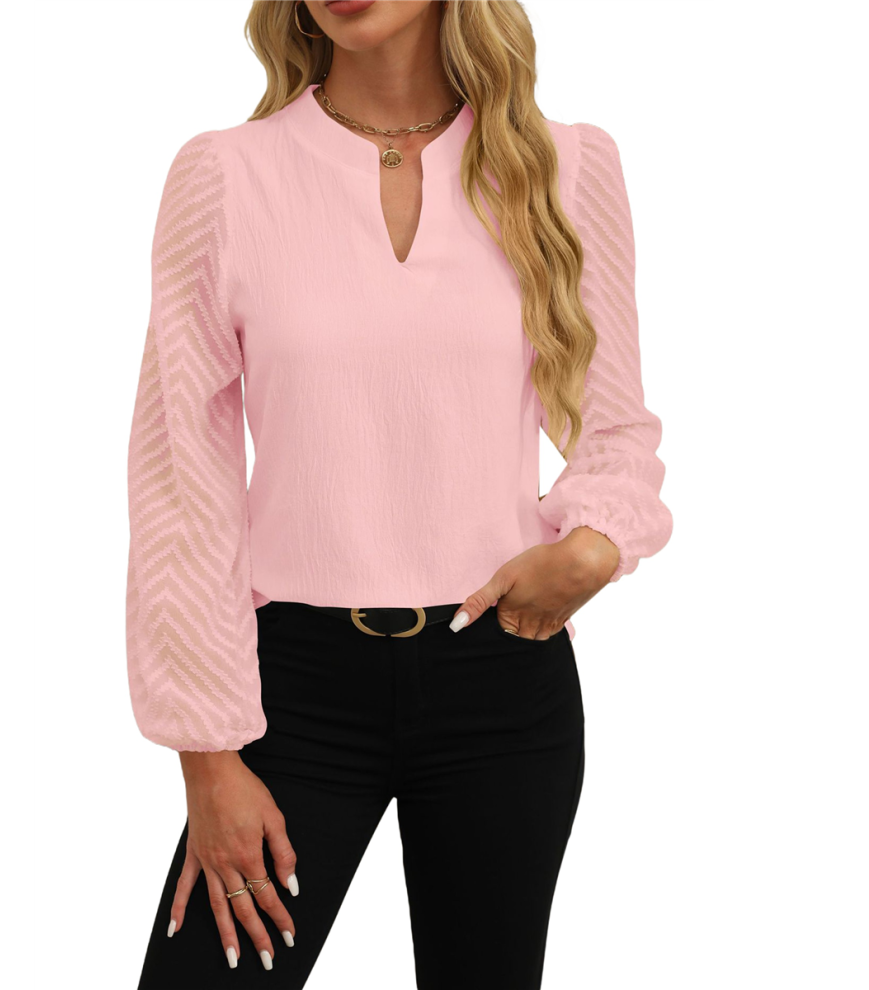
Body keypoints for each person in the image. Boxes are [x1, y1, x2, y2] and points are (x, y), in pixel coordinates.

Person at [128, 1, 672, 986]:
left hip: (502, 680)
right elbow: (180, 475)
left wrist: (594, 546)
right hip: (289, 696)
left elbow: (616, 424)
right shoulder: (226, 176)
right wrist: (207, 756)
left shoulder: (568, 165)